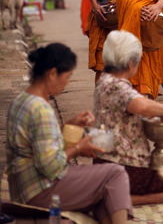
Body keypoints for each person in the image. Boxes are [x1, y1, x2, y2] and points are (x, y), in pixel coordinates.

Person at [6, 43, 132, 223]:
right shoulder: (40, 109)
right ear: (52, 73)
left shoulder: (22, 100)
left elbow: (38, 140)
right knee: (115, 173)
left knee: (104, 188)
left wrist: (67, 126)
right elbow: (50, 166)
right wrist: (79, 149)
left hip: (21, 186)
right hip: (38, 190)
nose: (67, 82)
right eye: (67, 76)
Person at [93, 30, 163, 205]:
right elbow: (140, 106)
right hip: (123, 167)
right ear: (131, 63)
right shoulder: (117, 86)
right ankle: (128, 199)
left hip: (103, 162)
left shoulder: (103, 81)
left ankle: (119, 196)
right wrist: (162, 110)